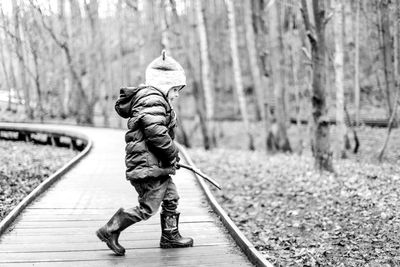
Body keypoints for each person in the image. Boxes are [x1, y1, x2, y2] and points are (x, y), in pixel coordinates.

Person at [96, 50, 193, 256]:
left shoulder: (154, 99)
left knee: (171, 197)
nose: (176, 95)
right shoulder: (153, 100)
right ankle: (110, 229)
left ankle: (170, 236)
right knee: (148, 208)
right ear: (165, 85)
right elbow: (156, 133)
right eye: (175, 89)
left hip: (154, 166)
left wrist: (169, 160)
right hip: (147, 167)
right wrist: (172, 154)